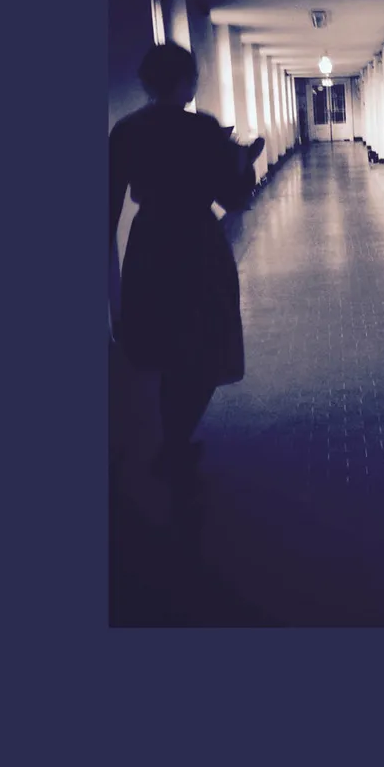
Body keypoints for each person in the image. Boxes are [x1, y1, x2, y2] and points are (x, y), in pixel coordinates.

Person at [109, 42, 265, 478]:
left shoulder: (126, 130)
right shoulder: (203, 130)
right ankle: (176, 441)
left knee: (165, 343)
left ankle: (173, 441)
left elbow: (110, 205)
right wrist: (243, 161)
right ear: (186, 81)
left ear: (147, 82)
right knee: (205, 343)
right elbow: (233, 198)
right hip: (197, 243)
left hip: (150, 243)